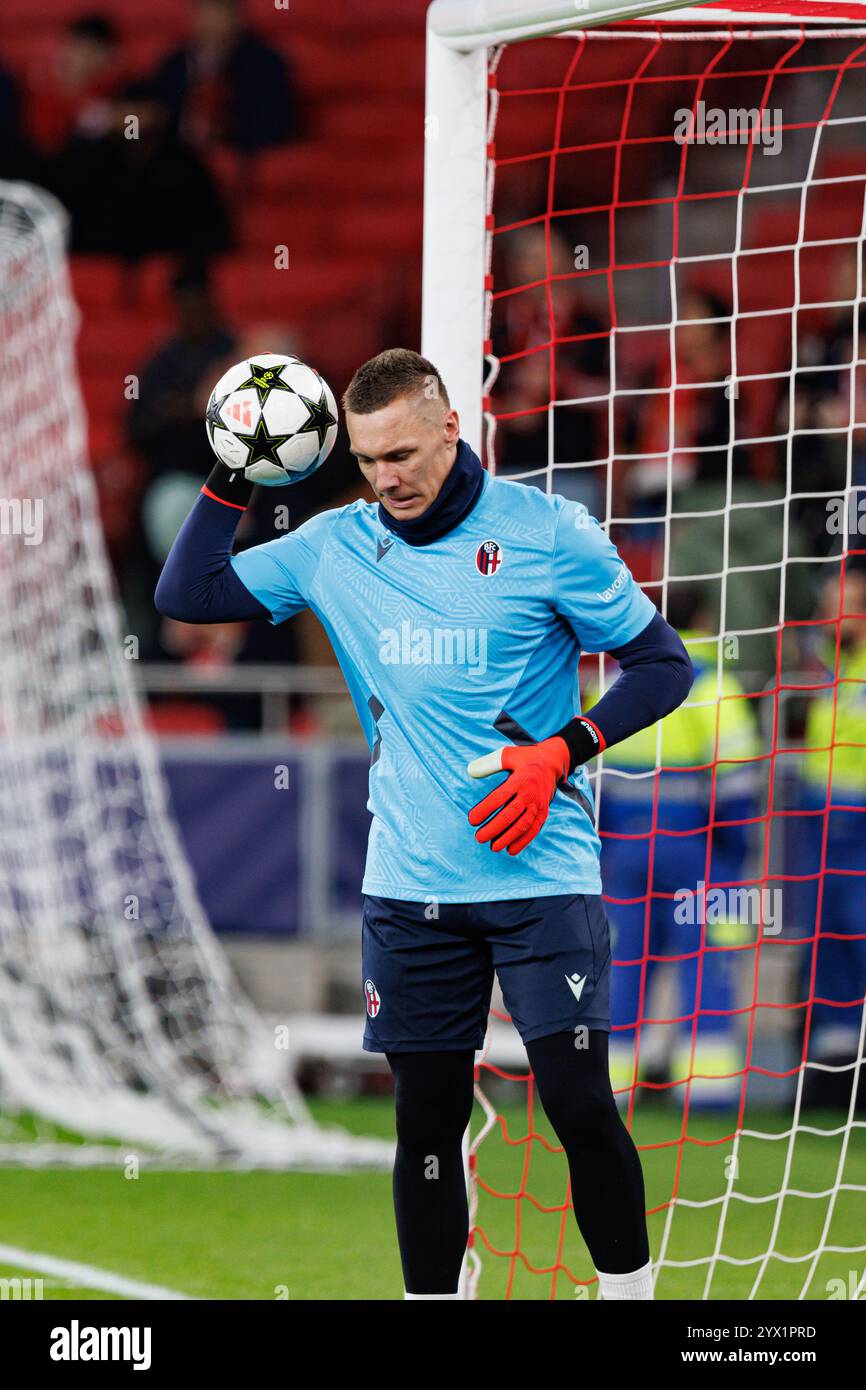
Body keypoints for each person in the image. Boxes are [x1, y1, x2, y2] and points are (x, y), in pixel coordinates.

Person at [155, 348, 693, 1300]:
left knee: (575, 1102)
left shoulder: (548, 532)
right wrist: (237, 466)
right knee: (427, 1123)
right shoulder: (337, 543)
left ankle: (630, 1295)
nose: (386, 479)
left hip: (541, 878)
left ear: (451, 427)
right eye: (366, 461)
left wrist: (563, 749)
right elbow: (186, 596)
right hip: (409, 886)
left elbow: (661, 666)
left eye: (401, 453)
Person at [594, 587, 761, 1108]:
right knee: (705, 963)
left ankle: (612, 1086)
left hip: (624, 851)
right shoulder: (713, 686)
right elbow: (737, 786)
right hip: (697, 849)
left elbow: (587, 781)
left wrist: (603, 852)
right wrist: (736, 854)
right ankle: (707, 1090)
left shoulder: (612, 682)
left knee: (623, 964)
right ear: (706, 618)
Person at [797, 563, 866, 1107]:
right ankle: (833, 1075)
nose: (830, 610)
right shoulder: (829, 664)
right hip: (821, 822)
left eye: (844, 600)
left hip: (857, 823)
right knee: (828, 949)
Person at [147, 0, 301, 154]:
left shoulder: (264, 62)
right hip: (178, 152)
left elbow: (275, 123)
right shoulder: (178, 61)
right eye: (203, 14)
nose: (209, 24)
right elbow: (153, 98)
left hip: (240, 150)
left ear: (238, 19)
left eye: (217, 14)